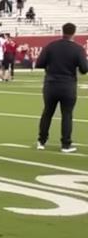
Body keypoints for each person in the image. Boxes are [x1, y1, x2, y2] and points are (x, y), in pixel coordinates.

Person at [35, 22, 88, 152]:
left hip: (51, 84)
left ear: (62, 31)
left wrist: (51, 67)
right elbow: (84, 69)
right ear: (74, 33)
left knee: (47, 112)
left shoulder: (51, 46)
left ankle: (41, 141)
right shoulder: (77, 49)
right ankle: (65, 144)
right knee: (67, 115)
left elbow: (39, 63)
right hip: (68, 85)